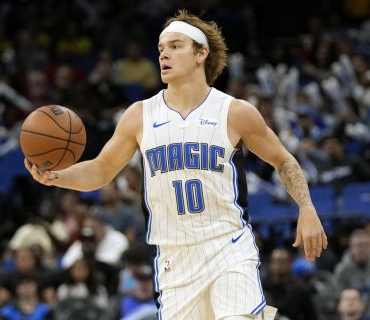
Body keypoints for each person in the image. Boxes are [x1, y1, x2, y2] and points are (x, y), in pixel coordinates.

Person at [26, 10, 327, 320]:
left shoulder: (234, 112)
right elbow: (101, 170)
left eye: (175, 46)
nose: (164, 54)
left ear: (201, 53)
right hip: (173, 257)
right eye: (160, 49)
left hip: (227, 245)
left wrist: (306, 207)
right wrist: (56, 176)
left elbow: (283, 160)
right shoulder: (139, 115)